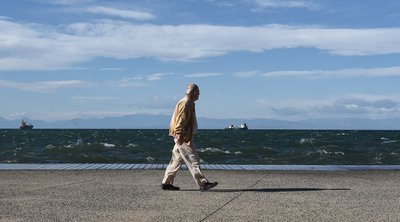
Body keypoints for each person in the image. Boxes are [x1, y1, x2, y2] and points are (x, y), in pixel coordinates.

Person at [161, 83, 218, 191]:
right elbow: (180, 120)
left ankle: (166, 183)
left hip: (183, 136)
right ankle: (203, 184)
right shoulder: (186, 103)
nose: (199, 94)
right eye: (199, 92)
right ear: (194, 92)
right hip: (183, 138)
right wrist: (179, 135)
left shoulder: (189, 102)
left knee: (176, 160)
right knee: (193, 160)